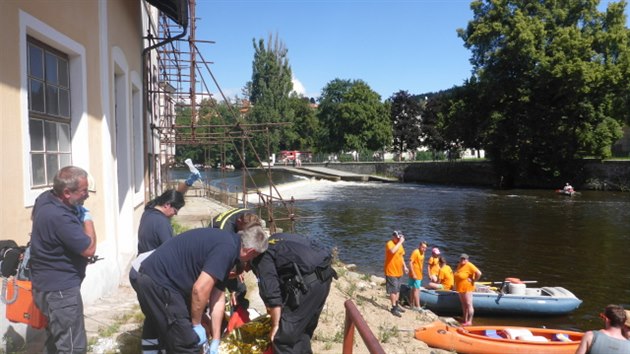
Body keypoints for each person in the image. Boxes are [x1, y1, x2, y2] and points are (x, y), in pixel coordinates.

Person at [134, 225, 268, 354]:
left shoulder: (229, 244)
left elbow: (217, 299)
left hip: (164, 282)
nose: (250, 262)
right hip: (159, 282)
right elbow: (199, 289)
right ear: (251, 252)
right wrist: (196, 324)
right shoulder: (227, 249)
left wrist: (216, 339)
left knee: (175, 335)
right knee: (187, 342)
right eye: (253, 258)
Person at [30, 166, 97, 353]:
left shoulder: (45, 198)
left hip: (45, 285)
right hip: (60, 291)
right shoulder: (60, 217)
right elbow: (89, 249)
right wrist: (87, 219)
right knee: (72, 345)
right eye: (84, 191)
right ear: (67, 192)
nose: (87, 195)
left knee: (56, 337)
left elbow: (33, 216)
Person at [250, 232, 337, 354]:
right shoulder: (276, 239)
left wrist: (275, 325)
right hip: (325, 275)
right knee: (303, 332)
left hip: (308, 285)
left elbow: (271, 292)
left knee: (282, 340)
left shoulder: (261, 256)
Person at [384, 230, 408, 317]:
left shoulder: (400, 245)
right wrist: (400, 242)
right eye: (397, 238)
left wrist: (405, 266)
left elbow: (401, 256)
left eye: (400, 238)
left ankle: (397, 305)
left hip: (399, 271)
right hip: (391, 271)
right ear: (393, 236)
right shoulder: (389, 243)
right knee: (393, 290)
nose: (398, 240)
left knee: (398, 289)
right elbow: (392, 251)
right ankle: (393, 308)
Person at [454, 253, 481, 326]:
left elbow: (479, 273)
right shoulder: (459, 264)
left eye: (464, 259)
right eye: (461, 258)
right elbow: (457, 274)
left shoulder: (469, 265)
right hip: (460, 288)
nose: (462, 260)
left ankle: (470, 321)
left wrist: (474, 280)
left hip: (467, 287)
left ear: (467, 259)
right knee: (463, 304)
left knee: (469, 304)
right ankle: (464, 319)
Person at [407, 241, 427, 311]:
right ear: (419, 246)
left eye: (425, 248)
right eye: (423, 247)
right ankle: (418, 306)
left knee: (413, 289)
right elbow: (410, 263)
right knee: (416, 290)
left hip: (418, 274)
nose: (424, 249)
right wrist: (413, 273)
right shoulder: (416, 252)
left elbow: (420, 264)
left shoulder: (423, 253)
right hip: (415, 274)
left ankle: (411, 305)